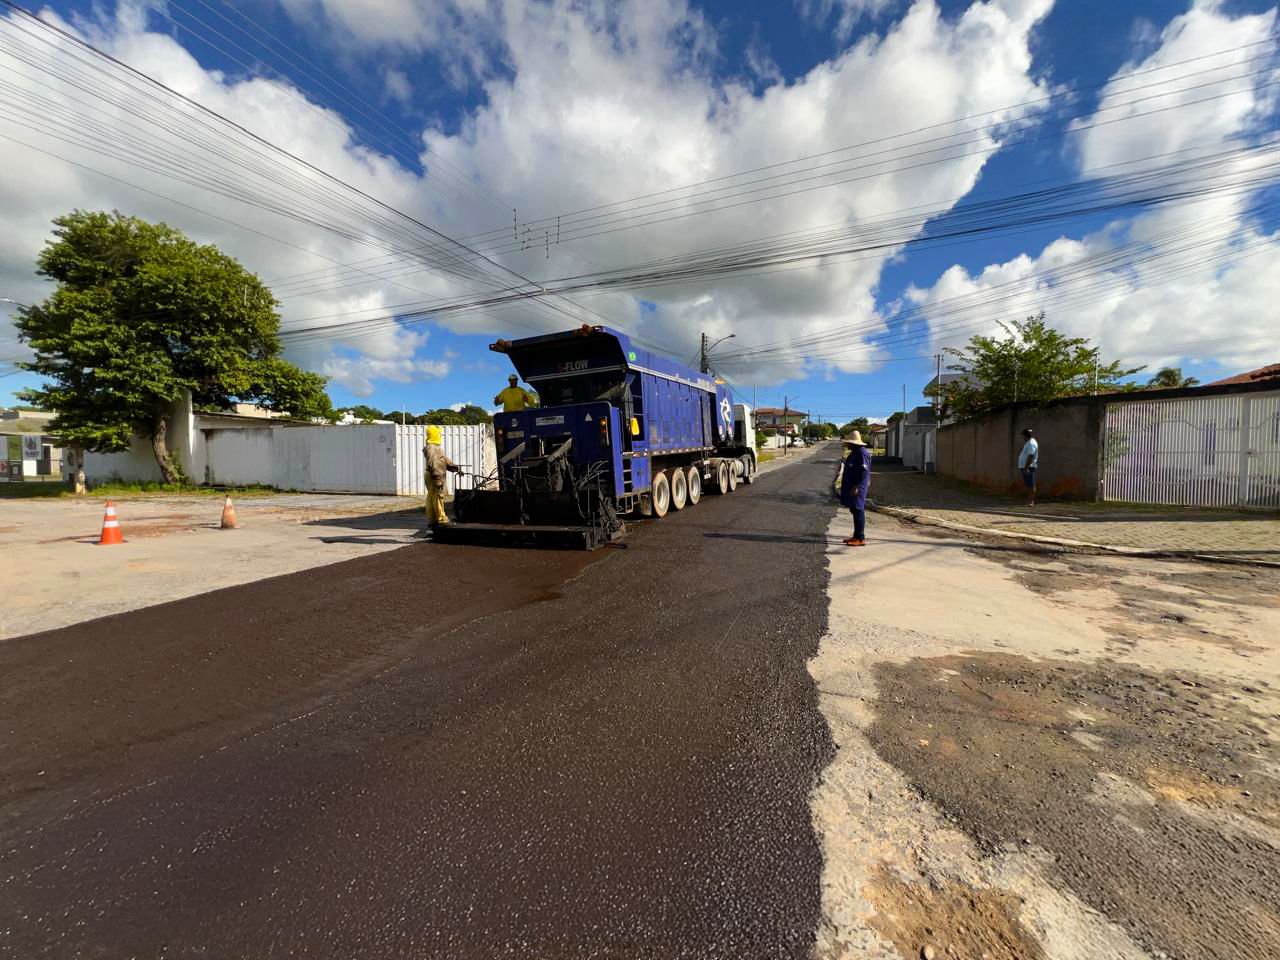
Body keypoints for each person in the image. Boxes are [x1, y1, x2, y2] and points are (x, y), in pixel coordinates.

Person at [836, 430, 872, 546]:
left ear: (854, 443)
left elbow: (863, 472)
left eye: (849, 443)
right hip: (852, 486)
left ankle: (860, 538)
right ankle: (856, 536)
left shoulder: (862, 453)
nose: (847, 444)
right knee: (854, 509)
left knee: (858, 510)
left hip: (858, 487)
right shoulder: (855, 452)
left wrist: (856, 486)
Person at [423, 424, 461, 530]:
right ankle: (441, 519)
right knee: (438, 497)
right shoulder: (431, 448)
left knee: (432, 497)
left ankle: (432, 519)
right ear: (435, 434)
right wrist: (437, 478)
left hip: (433, 474)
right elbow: (433, 463)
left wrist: (454, 467)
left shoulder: (435, 447)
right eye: (438, 433)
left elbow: (444, 459)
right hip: (435, 475)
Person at [1018, 427, 1039, 506]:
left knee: (1031, 484)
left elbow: (1031, 456)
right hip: (1026, 467)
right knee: (1028, 484)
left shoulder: (1031, 443)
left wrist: (1026, 468)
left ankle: (1031, 501)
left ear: (1026, 435)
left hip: (1029, 467)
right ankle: (1029, 501)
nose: (1023, 437)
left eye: (1023, 435)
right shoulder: (1028, 442)